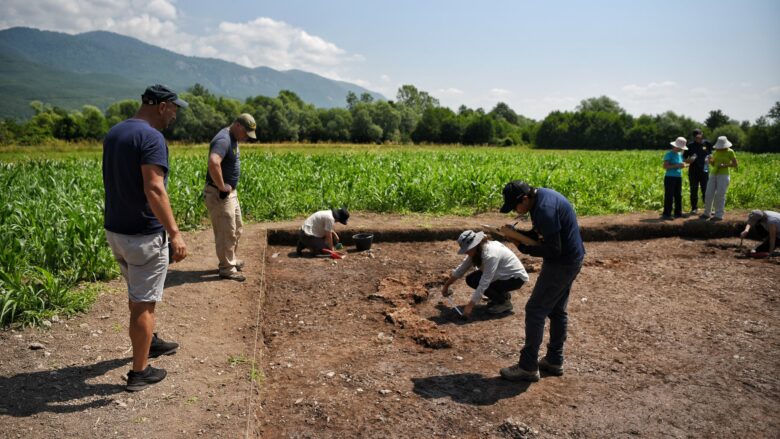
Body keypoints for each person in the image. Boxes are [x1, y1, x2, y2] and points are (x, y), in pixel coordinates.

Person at [103, 84, 188, 392]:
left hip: (117, 230)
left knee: (137, 293)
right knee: (143, 304)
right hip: (143, 235)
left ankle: (149, 341)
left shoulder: (115, 132)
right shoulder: (152, 137)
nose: (175, 115)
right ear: (162, 106)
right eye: (174, 108)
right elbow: (154, 188)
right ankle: (139, 372)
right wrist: (175, 233)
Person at [496, 181, 585, 382]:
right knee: (556, 310)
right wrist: (518, 234)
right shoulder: (542, 198)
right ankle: (554, 360)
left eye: (515, 206)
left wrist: (523, 247)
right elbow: (541, 235)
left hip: (561, 263)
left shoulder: (544, 210)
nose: (516, 211)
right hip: (571, 258)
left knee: (535, 309)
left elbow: (553, 249)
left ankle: (527, 367)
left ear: (524, 199)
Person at [204, 113, 256, 282]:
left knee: (237, 228)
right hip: (220, 194)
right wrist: (221, 186)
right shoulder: (223, 139)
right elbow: (214, 162)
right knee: (226, 232)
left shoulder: (233, 137)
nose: (247, 138)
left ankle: (231, 259)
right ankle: (227, 268)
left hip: (230, 193)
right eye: (246, 133)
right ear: (238, 125)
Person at [440, 230, 529, 318]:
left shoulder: (490, 255)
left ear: (475, 245)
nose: (466, 252)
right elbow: (462, 268)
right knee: (470, 279)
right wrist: (446, 286)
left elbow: (484, 282)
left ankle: (504, 303)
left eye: (467, 249)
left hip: (515, 279)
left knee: (478, 281)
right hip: (504, 275)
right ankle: (502, 295)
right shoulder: (478, 249)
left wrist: (470, 305)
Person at [700, 136, 738, 221]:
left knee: (720, 195)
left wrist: (725, 165)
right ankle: (707, 213)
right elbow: (714, 164)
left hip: (723, 175)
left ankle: (718, 215)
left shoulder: (730, 151)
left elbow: (735, 164)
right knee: (708, 194)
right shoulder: (716, 152)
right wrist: (710, 161)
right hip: (713, 174)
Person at [684, 128, 711, 214]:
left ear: (702, 134)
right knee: (694, 189)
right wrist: (690, 160)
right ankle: (694, 208)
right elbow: (684, 159)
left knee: (706, 189)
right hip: (693, 171)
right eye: (696, 137)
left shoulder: (707, 144)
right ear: (694, 137)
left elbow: (711, 155)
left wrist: (709, 158)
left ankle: (708, 208)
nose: (698, 139)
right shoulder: (690, 146)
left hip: (705, 169)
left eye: (700, 136)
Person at [662, 137, 688, 220]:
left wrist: (683, 165)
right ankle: (667, 214)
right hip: (670, 177)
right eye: (680, 147)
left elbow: (680, 165)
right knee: (669, 195)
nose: (681, 149)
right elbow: (665, 166)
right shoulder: (669, 154)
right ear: (676, 146)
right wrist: (677, 165)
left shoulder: (679, 155)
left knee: (678, 195)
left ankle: (678, 213)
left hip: (678, 177)